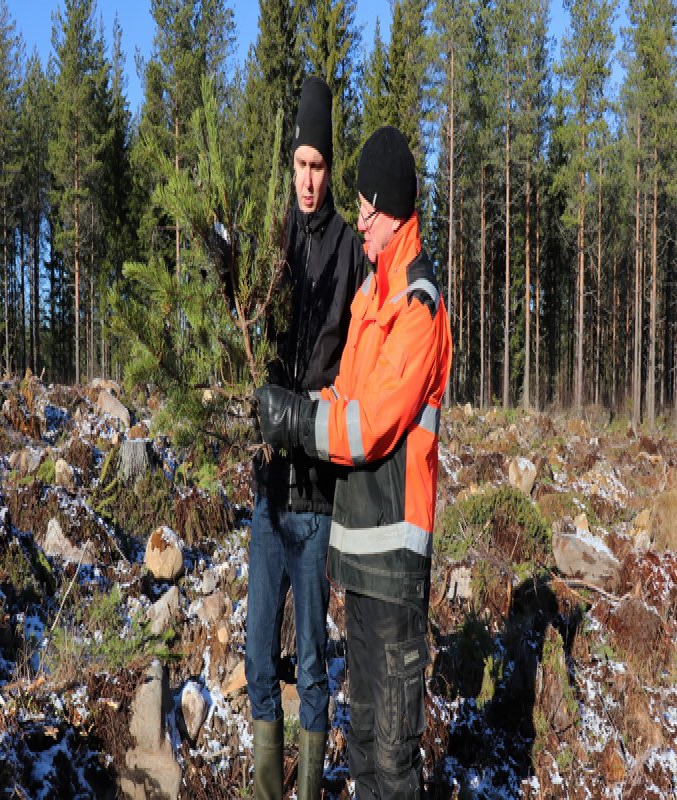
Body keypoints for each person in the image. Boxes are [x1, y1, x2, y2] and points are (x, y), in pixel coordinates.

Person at [254, 125, 453, 799]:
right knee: (363, 742)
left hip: (395, 567)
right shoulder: (372, 294)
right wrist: (296, 406)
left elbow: (370, 426)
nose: (357, 219)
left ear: (392, 211)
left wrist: (295, 420)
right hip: (360, 560)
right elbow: (345, 394)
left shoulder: (416, 306)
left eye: (367, 207)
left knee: (394, 761)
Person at [245, 75, 368, 800]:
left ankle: (313, 786)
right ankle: (266, 788)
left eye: (319, 166)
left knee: (314, 661)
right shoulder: (275, 238)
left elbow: (358, 363)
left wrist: (329, 404)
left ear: (331, 167)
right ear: (289, 165)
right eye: (300, 165)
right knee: (260, 655)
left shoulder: (350, 252)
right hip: (266, 485)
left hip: (316, 493)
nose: (309, 179)